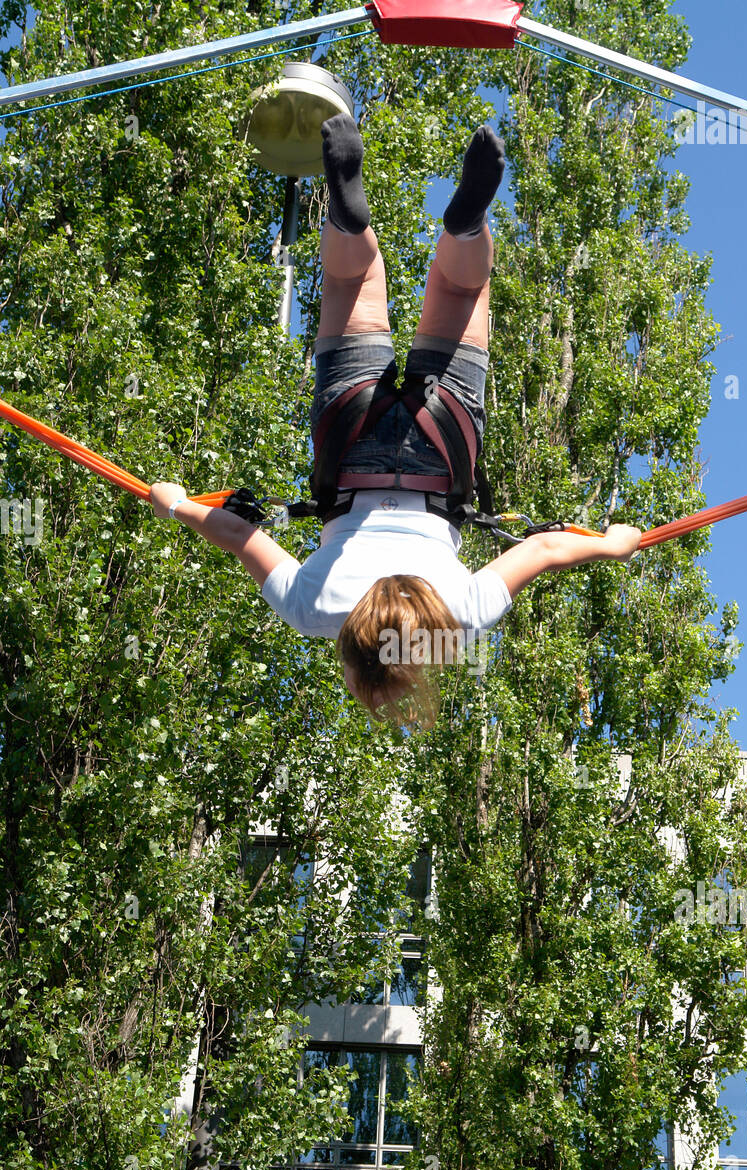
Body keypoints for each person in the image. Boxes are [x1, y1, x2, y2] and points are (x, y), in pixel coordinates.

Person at [150, 115, 641, 727]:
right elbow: (238, 534)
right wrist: (173, 504)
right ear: (352, 662)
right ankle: (346, 216)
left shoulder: (459, 615)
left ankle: (466, 226)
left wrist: (613, 545)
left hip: (442, 448)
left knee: (461, 295)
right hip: (349, 442)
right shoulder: (313, 611)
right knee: (350, 282)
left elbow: (543, 548)